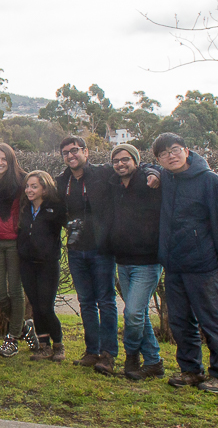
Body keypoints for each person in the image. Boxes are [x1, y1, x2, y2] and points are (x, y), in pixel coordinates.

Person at [56, 136, 159, 375]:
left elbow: (134, 169)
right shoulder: (63, 181)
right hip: (75, 250)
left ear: (86, 151)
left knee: (106, 302)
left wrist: (156, 172)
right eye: (65, 153)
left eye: (75, 151)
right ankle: (91, 351)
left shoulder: (103, 174)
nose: (71, 156)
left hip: (102, 250)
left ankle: (108, 354)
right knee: (86, 303)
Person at [153, 133, 218, 393]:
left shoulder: (210, 182)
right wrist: (155, 174)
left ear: (187, 151)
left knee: (213, 322)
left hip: (203, 267)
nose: (171, 156)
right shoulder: (166, 179)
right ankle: (191, 370)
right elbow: (146, 168)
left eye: (175, 149)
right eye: (163, 154)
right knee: (180, 323)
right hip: (174, 265)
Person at [108, 144, 164, 380]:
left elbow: (159, 170)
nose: (120, 164)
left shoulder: (148, 180)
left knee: (132, 314)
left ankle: (131, 355)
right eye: (116, 161)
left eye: (125, 159)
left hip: (148, 261)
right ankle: (153, 362)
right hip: (124, 260)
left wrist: (155, 172)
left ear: (136, 160)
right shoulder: (115, 185)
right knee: (138, 313)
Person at [0, 143, 38, 358]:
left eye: (3, 159)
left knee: (16, 291)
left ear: (11, 160)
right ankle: (24, 327)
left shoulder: (21, 181)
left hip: (15, 241)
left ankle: (12, 338)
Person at [17, 171, 68, 362]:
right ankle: (43, 345)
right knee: (36, 307)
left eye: (34, 186)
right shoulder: (24, 208)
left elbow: (68, 225)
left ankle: (58, 345)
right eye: (28, 186)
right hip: (27, 264)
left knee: (46, 307)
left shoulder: (54, 209)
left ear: (44, 189)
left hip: (47, 265)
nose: (29, 190)